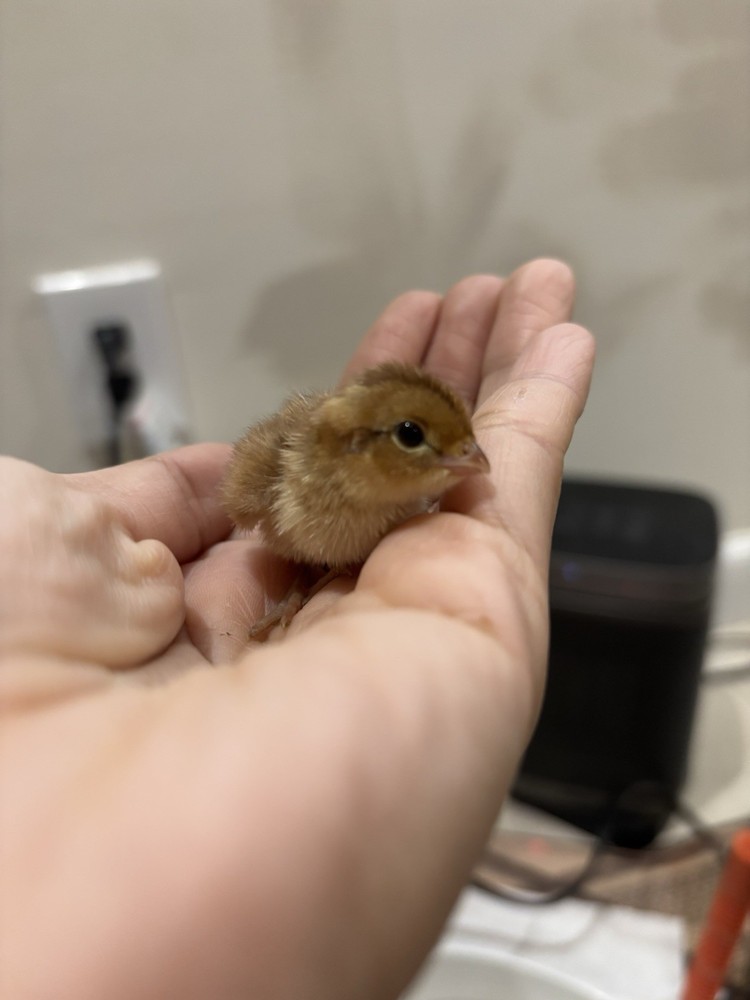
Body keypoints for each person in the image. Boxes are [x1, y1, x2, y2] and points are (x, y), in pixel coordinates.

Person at [0, 259, 594, 999]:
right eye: (415, 436)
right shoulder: (287, 481)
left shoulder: (404, 492)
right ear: (354, 447)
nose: (468, 460)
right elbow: (246, 494)